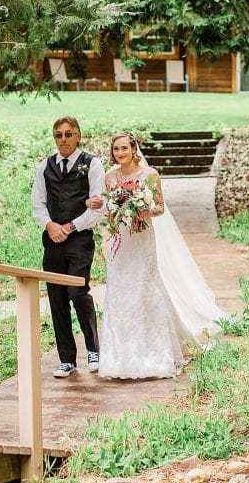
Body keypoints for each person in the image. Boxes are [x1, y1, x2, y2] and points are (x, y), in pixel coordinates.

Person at [96, 131, 224, 381]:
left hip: (142, 237)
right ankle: (119, 358)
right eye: (116, 150)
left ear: (134, 150)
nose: (120, 153)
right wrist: (110, 230)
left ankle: (153, 354)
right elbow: (110, 214)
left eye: (124, 148)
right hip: (121, 242)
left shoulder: (150, 174)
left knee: (144, 289)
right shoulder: (109, 177)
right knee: (120, 292)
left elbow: (160, 207)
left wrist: (142, 209)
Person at [31, 116, 106, 378]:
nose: (63, 139)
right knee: (56, 298)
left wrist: (70, 227)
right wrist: (51, 226)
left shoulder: (92, 164)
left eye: (68, 134)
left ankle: (94, 349)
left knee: (77, 291)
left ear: (78, 136)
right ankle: (67, 359)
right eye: (58, 135)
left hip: (80, 239)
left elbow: (99, 205)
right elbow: (38, 204)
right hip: (52, 240)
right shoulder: (45, 166)